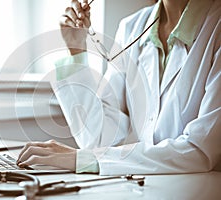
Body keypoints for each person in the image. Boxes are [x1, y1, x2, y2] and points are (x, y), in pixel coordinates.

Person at [17, 0, 221, 175]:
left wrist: (84, 159)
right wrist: (76, 50)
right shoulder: (132, 27)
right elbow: (101, 139)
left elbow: (200, 151)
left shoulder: (216, 27)